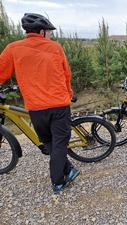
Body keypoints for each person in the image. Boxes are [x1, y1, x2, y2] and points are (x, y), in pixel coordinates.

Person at [0, 13, 80, 193]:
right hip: (59, 105)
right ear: (42, 32)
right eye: (50, 32)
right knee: (59, 144)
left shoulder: (13, 48)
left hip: (35, 108)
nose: (51, 35)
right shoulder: (55, 48)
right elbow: (66, 74)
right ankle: (58, 182)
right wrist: (69, 94)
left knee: (48, 142)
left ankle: (70, 169)